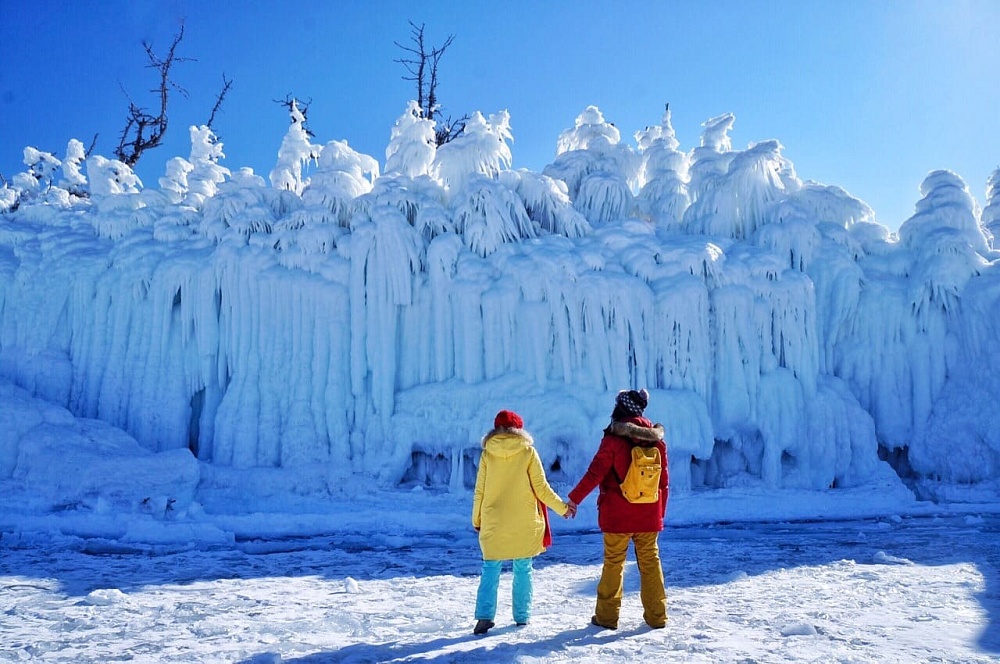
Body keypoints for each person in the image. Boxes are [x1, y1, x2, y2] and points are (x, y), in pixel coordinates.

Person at [566, 388, 669, 630]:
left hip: (617, 515)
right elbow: (664, 483)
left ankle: (607, 617)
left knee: (613, 563)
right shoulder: (657, 441)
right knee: (651, 563)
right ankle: (657, 616)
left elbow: (594, 474)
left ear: (620, 408)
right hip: (648, 514)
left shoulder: (612, 440)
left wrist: (574, 500)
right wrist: (659, 515)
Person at [471, 409, 576, 635]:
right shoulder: (527, 452)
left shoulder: (487, 453)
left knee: (490, 568)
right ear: (518, 430)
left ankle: (484, 617)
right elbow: (541, 488)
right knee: (523, 569)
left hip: (494, 520)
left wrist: (476, 518)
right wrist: (563, 509)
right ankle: (521, 617)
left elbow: (479, 490)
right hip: (523, 521)